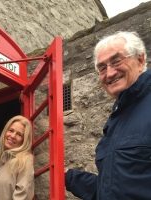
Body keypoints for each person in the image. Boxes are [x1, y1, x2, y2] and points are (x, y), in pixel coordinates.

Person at [65, 31, 151, 200]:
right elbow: (110, 189)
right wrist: (69, 176)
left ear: (140, 60)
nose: (109, 73)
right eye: (102, 68)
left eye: (116, 61)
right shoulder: (118, 117)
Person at [0, 115, 34, 200]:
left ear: (24, 140)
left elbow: (22, 195)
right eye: (11, 130)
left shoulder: (25, 160)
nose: (13, 136)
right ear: (5, 131)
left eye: (19, 134)